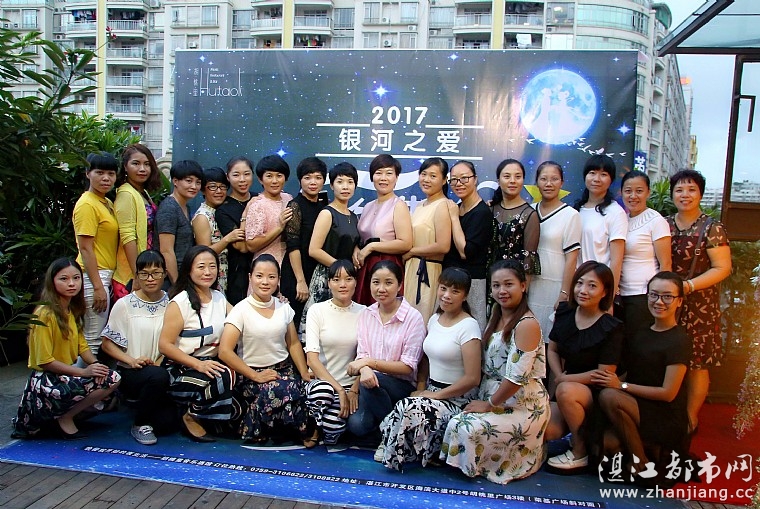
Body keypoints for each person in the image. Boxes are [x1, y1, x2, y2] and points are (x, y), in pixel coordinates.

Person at [440, 260, 548, 484]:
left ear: (523, 285)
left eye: (508, 284)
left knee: (465, 428)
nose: (502, 291)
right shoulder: (496, 314)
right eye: (496, 285)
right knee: (449, 419)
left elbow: (516, 378)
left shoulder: (527, 324)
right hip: (491, 394)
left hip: (519, 403)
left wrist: (489, 404)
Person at [378, 267, 481, 470]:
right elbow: (425, 358)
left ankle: (397, 452)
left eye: (455, 291)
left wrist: (436, 395)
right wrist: (422, 386)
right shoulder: (435, 319)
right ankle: (394, 446)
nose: (446, 295)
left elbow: (472, 378)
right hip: (431, 391)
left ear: (465, 296)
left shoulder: (469, 326)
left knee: (408, 407)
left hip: (457, 399)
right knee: (406, 404)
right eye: (443, 288)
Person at [593, 271, 691, 480]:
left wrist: (621, 386)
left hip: (664, 414)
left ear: (679, 301)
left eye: (667, 296)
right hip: (636, 406)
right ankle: (646, 448)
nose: (659, 301)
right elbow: (633, 371)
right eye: (654, 295)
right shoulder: (641, 331)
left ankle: (641, 463)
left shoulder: (679, 340)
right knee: (601, 445)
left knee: (610, 396)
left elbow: (668, 393)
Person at [12, 258, 121, 439]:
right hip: (46, 380)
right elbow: (45, 361)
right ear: (52, 282)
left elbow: (82, 346)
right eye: (64, 279)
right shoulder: (44, 313)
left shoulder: (72, 309)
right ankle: (64, 418)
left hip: (65, 374)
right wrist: (84, 372)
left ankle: (65, 416)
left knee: (110, 377)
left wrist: (96, 365)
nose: (71, 284)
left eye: (76, 278)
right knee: (105, 380)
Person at [218, 254, 312, 444]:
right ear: (250, 277)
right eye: (259, 276)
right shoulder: (240, 310)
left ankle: (272, 427)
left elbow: (293, 343)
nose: (265, 282)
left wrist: (304, 372)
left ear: (278, 280)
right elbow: (224, 351)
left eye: (271, 277)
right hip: (252, 375)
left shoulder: (284, 308)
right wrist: (255, 375)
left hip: (284, 371)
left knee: (303, 388)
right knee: (281, 389)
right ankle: (298, 431)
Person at [666, 169, 731, 433]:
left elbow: (722, 268)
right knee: (666, 358)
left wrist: (689, 286)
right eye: (679, 189)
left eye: (691, 189)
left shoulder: (712, 228)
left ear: (700, 194)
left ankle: (690, 419)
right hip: (666, 304)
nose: (685, 194)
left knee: (697, 363)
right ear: (672, 194)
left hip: (699, 304)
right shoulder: (663, 224)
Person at [545, 261, 624, 471]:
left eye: (592, 286)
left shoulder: (611, 327)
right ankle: (576, 435)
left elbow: (605, 373)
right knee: (548, 430)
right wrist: (559, 374)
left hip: (596, 393)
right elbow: (552, 350)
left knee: (565, 390)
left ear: (605, 292)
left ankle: (580, 452)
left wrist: (565, 379)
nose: (583, 290)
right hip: (566, 386)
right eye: (579, 283)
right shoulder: (565, 312)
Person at [158, 246, 234, 442]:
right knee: (223, 375)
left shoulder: (219, 297)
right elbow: (165, 345)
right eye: (201, 267)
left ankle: (209, 418)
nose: (207, 272)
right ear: (189, 270)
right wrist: (198, 364)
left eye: (212, 266)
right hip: (181, 368)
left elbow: (241, 319)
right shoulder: (180, 302)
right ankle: (191, 416)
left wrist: (272, 305)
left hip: (210, 363)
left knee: (238, 374)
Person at [346, 260, 426, 444]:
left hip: (401, 386)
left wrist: (368, 365)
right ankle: (393, 427)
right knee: (357, 425)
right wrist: (365, 368)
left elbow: (408, 366)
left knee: (371, 378)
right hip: (370, 385)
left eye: (388, 283)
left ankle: (392, 435)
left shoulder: (413, 318)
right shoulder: (367, 314)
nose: (381, 288)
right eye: (376, 282)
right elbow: (362, 354)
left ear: (400, 284)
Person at [100, 250, 174, 445]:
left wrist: (160, 361)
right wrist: (131, 361)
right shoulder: (125, 304)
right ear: (137, 276)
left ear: (165, 274)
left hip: (162, 366)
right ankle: (140, 424)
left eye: (156, 273)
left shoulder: (171, 303)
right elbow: (107, 344)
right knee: (158, 377)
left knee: (167, 425)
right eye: (144, 274)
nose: (150, 279)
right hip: (131, 370)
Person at [303, 260, 365, 446]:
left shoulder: (365, 313)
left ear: (356, 282)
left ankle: (329, 426)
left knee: (333, 431)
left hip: (350, 386)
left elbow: (366, 357)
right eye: (336, 279)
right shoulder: (317, 310)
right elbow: (312, 359)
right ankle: (313, 426)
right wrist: (338, 389)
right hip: (323, 384)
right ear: (329, 283)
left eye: (348, 279)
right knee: (322, 392)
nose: (342, 285)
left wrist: (353, 389)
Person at [300, 162, 361, 333]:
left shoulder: (353, 216)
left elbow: (351, 240)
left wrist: (356, 248)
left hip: (346, 279)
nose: (345, 187)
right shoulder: (327, 213)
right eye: (340, 182)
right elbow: (314, 250)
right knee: (321, 329)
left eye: (350, 182)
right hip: (327, 277)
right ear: (332, 185)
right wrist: (339, 269)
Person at [527, 161, 581, 346]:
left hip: (555, 286)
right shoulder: (529, 210)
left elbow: (572, 258)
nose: (549, 184)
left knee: (550, 342)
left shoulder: (571, 215)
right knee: (529, 338)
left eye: (554, 179)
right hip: (531, 284)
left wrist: (564, 293)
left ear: (562, 182)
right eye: (544, 179)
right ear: (537, 182)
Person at [73, 152, 119, 355]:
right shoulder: (87, 204)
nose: (106, 178)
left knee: (97, 335)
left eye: (111, 173)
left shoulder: (105, 202)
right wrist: (98, 286)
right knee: (93, 337)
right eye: (99, 173)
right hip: (93, 276)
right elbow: (85, 248)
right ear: (87, 173)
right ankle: (81, 376)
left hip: (104, 275)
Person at [354, 154, 413, 306]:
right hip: (366, 267)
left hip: (388, 267)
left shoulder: (398, 205)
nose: (383, 178)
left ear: (396, 178)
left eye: (389, 173)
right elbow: (362, 237)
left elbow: (406, 243)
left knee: (385, 311)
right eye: (378, 173)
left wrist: (372, 247)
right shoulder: (368, 206)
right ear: (372, 177)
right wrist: (357, 249)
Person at [619, 170, 671, 340]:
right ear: (621, 193)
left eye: (639, 191)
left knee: (639, 345)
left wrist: (661, 299)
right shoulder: (621, 219)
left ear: (648, 192)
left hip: (643, 297)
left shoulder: (656, 221)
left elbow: (666, 264)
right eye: (628, 191)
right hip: (620, 296)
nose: (633, 196)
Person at [444, 160, 493, 332]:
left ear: (475, 179)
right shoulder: (457, 208)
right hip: (451, 280)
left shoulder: (482, 212)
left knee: (472, 330)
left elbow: (466, 252)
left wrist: (454, 217)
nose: (459, 183)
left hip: (472, 283)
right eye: (454, 180)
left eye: (464, 178)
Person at [280, 157, 329, 328]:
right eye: (307, 177)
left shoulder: (324, 206)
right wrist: (300, 280)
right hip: (297, 273)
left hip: (317, 272)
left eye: (318, 177)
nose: (313, 182)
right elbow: (292, 246)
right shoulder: (295, 205)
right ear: (300, 180)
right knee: (294, 323)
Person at [403, 157, 452, 323]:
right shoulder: (421, 205)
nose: (426, 179)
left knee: (421, 320)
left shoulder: (443, 205)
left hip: (428, 272)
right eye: (423, 174)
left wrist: (411, 252)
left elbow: (443, 246)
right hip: (412, 269)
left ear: (444, 180)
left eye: (433, 176)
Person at [573, 155, 627, 302]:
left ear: (611, 180)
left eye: (603, 174)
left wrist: (610, 297)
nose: (596, 179)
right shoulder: (576, 210)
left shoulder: (615, 212)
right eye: (592, 173)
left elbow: (616, 261)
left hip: (598, 289)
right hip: (576, 286)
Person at [113, 143, 162, 300]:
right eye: (136, 163)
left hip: (146, 269)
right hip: (130, 276)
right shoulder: (126, 194)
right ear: (125, 167)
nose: (142, 169)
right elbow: (128, 236)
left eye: (147, 164)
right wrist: (137, 274)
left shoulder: (142, 192)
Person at [192, 167, 245, 294]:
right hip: (212, 275)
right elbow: (204, 252)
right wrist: (228, 239)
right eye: (212, 187)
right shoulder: (202, 216)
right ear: (203, 190)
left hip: (228, 271)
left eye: (222, 187)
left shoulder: (222, 210)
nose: (219, 191)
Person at [490, 158, 540, 279]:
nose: (512, 181)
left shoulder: (529, 215)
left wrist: (523, 288)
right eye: (507, 176)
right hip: (487, 277)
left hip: (512, 282)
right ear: (498, 181)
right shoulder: (490, 210)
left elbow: (529, 259)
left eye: (518, 177)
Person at [215, 156, 255, 304]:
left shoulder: (259, 198)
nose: (242, 180)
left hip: (265, 267)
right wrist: (245, 214)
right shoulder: (223, 210)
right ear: (228, 177)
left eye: (247, 174)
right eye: (236, 175)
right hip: (239, 272)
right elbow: (241, 246)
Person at [156, 160, 203, 285]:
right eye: (189, 181)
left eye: (198, 182)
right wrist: (177, 284)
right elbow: (166, 251)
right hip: (170, 279)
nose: (194, 186)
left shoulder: (186, 207)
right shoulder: (169, 208)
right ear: (175, 181)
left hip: (185, 274)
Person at [244, 155, 294, 265]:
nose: (274, 181)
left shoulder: (289, 198)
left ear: (285, 178)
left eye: (279, 176)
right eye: (269, 176)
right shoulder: (257, 205)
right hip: (266, 266)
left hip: (289, 263)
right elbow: (251, 245)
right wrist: (279, 227)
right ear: (260, 179)